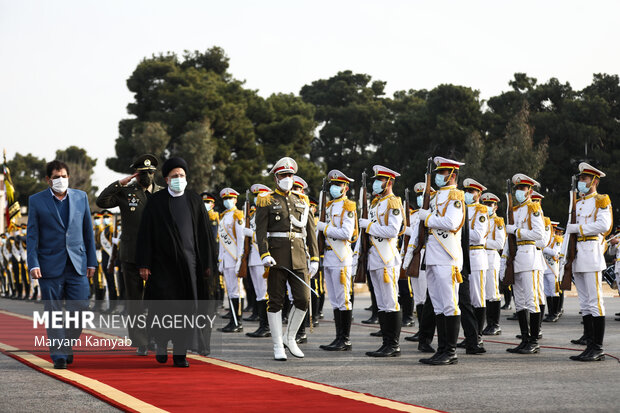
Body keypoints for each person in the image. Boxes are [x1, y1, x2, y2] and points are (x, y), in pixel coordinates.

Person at [136, 157, 218, 367]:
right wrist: (144, 264)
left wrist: (207, 264)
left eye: (182, 176)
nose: (179, 179)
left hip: (190, 268)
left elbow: (205, 235)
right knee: (164, 309)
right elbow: (146, 234)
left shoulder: (194, 200)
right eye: (175, 176)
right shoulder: (156, 202)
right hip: (162, 268)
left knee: (187, 310)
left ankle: (181, 353)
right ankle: (161, 343)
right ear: (166, 179)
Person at [27, 160, 97, 369]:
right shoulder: (36, 201)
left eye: (64, 176)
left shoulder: (81, 197)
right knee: (54, 312)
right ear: (48, 179)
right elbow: (32, 236)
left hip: (78, 265)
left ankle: (67, 343)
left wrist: (92, 262)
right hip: (49, 266)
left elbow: (88, 232)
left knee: (81, 309)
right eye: (56, 177)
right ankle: (58, 354)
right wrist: (33, 263)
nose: (61, 180)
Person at [96, 154, 162, 356]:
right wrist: (119, 183)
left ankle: (155, 337)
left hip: (157, 256)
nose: (147, 176)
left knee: (157, 302)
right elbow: (102, 201)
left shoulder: (162, 193)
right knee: (135, 302)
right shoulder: (126, 192)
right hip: (131, 254)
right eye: (143, 173)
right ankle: (141, 341)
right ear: (136, 174)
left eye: (150, 172)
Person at [255, 157, 319, 361]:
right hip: (276, 257)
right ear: (276, 177)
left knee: (303, 299)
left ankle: (289, 337)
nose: (287, 178)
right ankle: (277, 345)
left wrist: (315, 257)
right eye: (283, 175)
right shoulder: (265, 199)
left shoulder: (302, 200)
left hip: (299, 256)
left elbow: (310, 231)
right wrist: (264, 254)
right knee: (275, 302)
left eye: (290, 175)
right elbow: (261, 232)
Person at [417, 157, 465, 365]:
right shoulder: (436, 196)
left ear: (452, 176)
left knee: (449, 304)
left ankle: (451, 351)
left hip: (447, 255)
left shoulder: (455, 196)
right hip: (434, 255)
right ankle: (442, 348)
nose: (438, 176)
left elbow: (451, 222)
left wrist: (426, 218)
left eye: (442, 173)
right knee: (437, 304)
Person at [564, 163, 612, 362]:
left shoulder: (601, 201)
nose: (581, 182)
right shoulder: (579, 202)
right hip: (578, 255)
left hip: (591, 253)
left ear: (595, 181)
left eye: (585, 179)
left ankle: (597, 347)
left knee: (595, 302)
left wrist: (579, 229)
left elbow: (604, 224)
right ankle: (589, 344)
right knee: (584, 303)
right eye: (581, 178)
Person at [359, 165, 404, 358]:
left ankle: (393, 344)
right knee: (382, 303)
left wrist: (369, 226)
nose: (376, 183)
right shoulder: (376, 203)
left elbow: (393, 231)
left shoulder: (393, 203)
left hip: (386, 257)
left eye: (380, 180)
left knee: (390, 301)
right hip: (374, 258)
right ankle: (386, 342)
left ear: (390, 182)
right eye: (376, 180)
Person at [316, 169, 358, 351]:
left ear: (346, 188)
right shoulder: (329, 206)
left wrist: (324, 228)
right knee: (334, 300)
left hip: (341, 257)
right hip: (329, 257)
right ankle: (338, 337)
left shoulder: (348, 207)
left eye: (338, 184)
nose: (335, 187)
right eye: (333, 184)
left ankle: (345, 339)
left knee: (343, 300)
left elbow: (346, 234)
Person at [505, 173, 545, 355]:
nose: (519, 191)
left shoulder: (533, 208)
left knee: (532, 300)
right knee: (519, 301)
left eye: (522, 188)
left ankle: (534, 340)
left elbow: (539, 235)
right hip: (517, 257)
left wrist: (516, 231)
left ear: (530, 191)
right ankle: (525, 338)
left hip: (530, 256)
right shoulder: (515, 210)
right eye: (517, 188)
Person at [457, 178, 489, 354]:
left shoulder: (481, 211)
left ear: (479, 194)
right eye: (467, 191)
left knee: (477, 298)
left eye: (472, 192)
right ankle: (469, 335)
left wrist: (459, 229)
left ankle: (477, 336)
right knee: (465, 299)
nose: (468, 194)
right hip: (463, 254)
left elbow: (477, 236)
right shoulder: (463, 209)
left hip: (476, 255)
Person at [402, 182, 433, 343]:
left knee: (428, 296)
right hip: (414, 255)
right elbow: (408, 239)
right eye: (419, 195)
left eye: (424, 195)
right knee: (419, 297)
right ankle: (422, 330)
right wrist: (404, 255)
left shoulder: (432, 213)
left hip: (428, 254)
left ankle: (428, 331)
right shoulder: (414, 215)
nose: (421, 198)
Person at [243, 184, 272, 338]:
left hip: (262, 258)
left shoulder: (268, 213)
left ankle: (266, 326)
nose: (257, 198)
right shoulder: (254, 214)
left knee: (264, 293)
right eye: (256, 196)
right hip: (254, 258)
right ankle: (263, 325)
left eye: (260, 195)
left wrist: (251, 234)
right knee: (259, 293)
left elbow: (267, 235)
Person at [218, 187, 245, 333]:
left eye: (230, 198)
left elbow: (240, 240)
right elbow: (222, 242)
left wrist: (240, 260)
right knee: (230, 291)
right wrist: (220, 260)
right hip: (226, 260)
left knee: (236, 291)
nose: (227, 201)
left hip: (235, 259)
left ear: (235, 200)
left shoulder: (237, 216)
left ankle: (237, 322)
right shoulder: (224, 216)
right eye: (225, 199)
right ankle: (232, 320)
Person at [480, 192, 506, 335]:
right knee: (481, 292)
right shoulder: (479, 219)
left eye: (490, 205)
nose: (487, 207)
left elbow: (499, 243)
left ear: (495, 207)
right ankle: (485, 324)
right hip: (480, 256)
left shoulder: (498, 222)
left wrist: (481, 242)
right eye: (485, 204)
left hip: (491, 256)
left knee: (492, 292)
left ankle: (494, 324)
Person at [542, 221, 562, 322]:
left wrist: (544, 249)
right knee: (547, 292)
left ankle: (555, 313)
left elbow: (555, 253)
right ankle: (550, 313)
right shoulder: (544, 239)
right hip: (544, 268)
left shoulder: (557, 239)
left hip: (552, 268)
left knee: (554, 291)